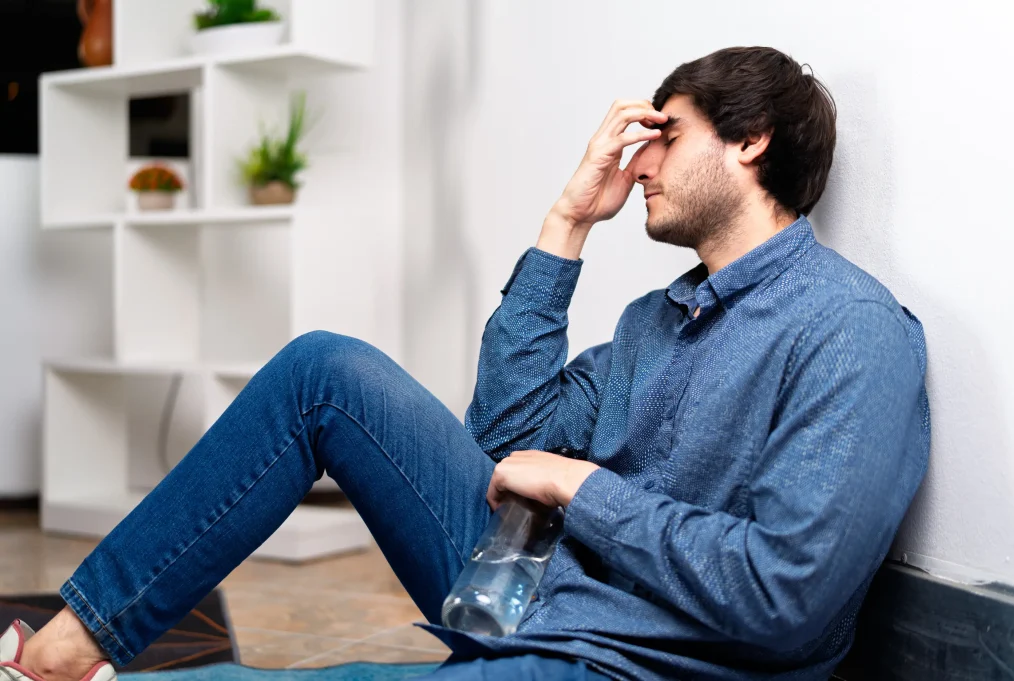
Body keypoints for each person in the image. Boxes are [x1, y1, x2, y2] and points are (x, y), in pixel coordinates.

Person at [1, 46, 929, 681]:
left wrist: (579, 488)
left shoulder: (850, 330)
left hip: (635, 660)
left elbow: (787, 598)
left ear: (751, 138)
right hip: (536, 587)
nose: (639, 163)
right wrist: (567, 224)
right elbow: (502, 441)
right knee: (327, 368)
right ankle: (67, 644)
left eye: (667, 134)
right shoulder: (661, 318)